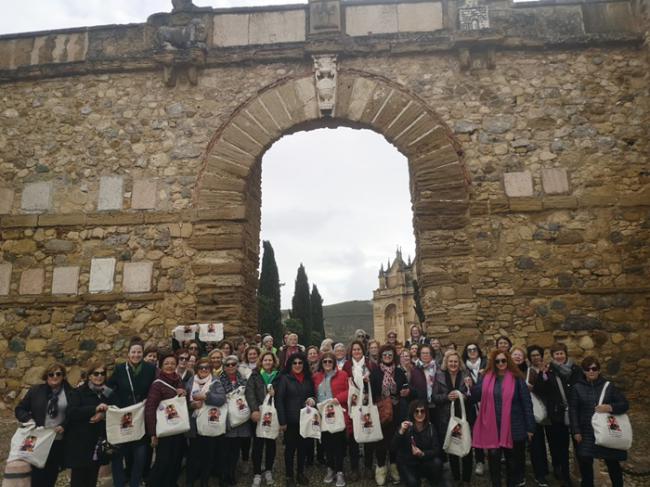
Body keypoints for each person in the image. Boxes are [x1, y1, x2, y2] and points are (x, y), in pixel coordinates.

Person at [470, 350, 535, 487]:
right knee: (494, 462)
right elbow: (475, 396)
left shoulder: (517, 378)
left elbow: (527, 404)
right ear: (493, 363)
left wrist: (530, 427)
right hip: (493, 427)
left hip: (514, 427)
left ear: (508, 361)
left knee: (513, 462)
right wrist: (472, 384)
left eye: (503, 360)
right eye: (497, 361)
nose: (501, 363)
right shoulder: (487, 377)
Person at [570, 356, 629, 487]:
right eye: (587, 369)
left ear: (599, 370)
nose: (591, 371)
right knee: (585, 465)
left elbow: (624, 404)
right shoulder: (577, 388)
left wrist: (610, 407)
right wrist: (576, 431)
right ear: (583, 371)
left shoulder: (608, 386)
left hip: (606, 431)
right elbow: (573, 411)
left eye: (594, 368)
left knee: (612, 464)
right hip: (586, 432)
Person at [107, 337, 157, 487]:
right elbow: (109, 388)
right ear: (128, 354)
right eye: (133, 352)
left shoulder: (150, 369)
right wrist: (117, 404)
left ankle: (136, 481)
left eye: (139, 352)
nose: (136, 355)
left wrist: (149, 399)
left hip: (141, 414)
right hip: (125, 414)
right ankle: (122, 481)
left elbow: (156, 387)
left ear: (142, 353)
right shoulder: (120, 369)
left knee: (141, 452)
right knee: (124, 449)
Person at [15, 362, 72, 487]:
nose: (54, 377)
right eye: (51, 374)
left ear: (63, 376)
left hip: (57, 440)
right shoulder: (35, 391)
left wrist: (64, 425)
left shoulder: (70, 393)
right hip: (36, 438)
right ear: (46, 376)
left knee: (50, 475)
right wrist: (29, 420)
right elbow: (20, 409)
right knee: (34, 475)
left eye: (58, 374)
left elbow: (73, 415)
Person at [537, 342, 582, 486]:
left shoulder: (576, 369)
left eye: (561, 353)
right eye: (556, 354)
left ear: (566, 354)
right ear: (553, 356)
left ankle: (583, 474)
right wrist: (541, 375)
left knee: (580, 445)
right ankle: (563, 473)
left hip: (575, 411)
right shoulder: (549, 371)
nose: (559, 356)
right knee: (560, 446)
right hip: (557, 413)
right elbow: (540, 390)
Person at [64, 361, 115, 487]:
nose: (99, 376)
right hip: (80, 443)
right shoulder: (79, 392)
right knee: (78, 480)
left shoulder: (108, 393)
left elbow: (115, 410)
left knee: (92, 479)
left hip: (97, 443)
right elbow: (72, 412)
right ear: (90, 376)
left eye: (102, 373)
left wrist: (103, 415)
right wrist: (94, 409)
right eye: (95, 373)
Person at [145, 350, 187, 487]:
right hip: (164, 430)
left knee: (176, 460)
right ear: (161, 365)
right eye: (166, 363)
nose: (169, 366)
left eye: (172, 363)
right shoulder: (157, 384)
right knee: (163, 462)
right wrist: (153, 433)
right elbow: (150, 409)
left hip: (178, 428)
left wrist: (183, 392)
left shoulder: (178, 379)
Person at [432, 350, 474, 486]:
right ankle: (456, 478)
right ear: (446, 362)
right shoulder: (439, 376)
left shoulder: (466, 375)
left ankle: (467, 479)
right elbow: (434, 397)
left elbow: (472, 394)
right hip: (447, 418)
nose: (453, 364)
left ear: (459, 362)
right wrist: (446, 397)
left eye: (456, 361)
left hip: (464, 416)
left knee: (466, 446)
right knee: (452, 446)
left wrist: (465, 394)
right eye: (450, 361)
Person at [275, 352, 315, 487]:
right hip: (290, 420)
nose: (297, 365)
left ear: (304, 364)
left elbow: (313, 395)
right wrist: (282, 421)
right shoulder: (285, 379)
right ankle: (289, 475)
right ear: (290, 365)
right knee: (290, 449)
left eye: (300, 363)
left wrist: (312, 399)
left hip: (305, 419)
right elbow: (279, 400)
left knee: (303, 448)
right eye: (295, 363)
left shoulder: (308, 379)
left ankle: (300, 473)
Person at [369, 344, 407, 486]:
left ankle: (394, 466)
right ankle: (380, 467)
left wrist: (405, 391)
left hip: (396, 410)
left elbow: (405, 386)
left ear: (393, 356)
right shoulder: (375, 372)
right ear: (381, 356)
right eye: (385, 355)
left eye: (390, 355)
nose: (387, 357)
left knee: (395, 440)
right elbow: (371, 392)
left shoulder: (398, 372)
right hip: (381, 411)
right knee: (381, 441)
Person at [186, 357, 226, 487]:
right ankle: (190, 480)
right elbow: (185, 401)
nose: (203, 370)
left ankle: (204, 481)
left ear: (210, 369)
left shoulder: (215, 382)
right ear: (196, 369)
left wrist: (206, 397)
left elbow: (221, 399)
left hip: (209, 424)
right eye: (201, 367)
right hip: (193, 424)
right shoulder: (191, 381)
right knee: (193, 455)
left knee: (208, 456)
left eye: (206, 368)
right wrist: (191, 404)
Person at [312, 352, 350, 487]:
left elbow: (349, 391)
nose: (327, 364)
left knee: (338, 443)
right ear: (321, 363)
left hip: (337, 413)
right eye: (325, 361)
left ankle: (339, 471)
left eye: (330, 361)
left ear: (334, 363)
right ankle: (330, 468)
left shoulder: (343, 375)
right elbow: (313, 393)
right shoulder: (316, 377)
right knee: (326, 443)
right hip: (323, 415)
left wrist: (337, 399)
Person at [246, 351, 280, 487]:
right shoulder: (255, 375)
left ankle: (269, 470)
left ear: (273, 362)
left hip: (272, 414)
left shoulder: (278, 376)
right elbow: (250, 392)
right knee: (258, 443)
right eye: (265, 360)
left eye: (270, 360)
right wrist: (254, 410)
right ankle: (257, 473)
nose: (267, 362)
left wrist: (275, 393)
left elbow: (283, 393)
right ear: (261, 361)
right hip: (259, 414)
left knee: (271, 442)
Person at [391, 400, 443, 487]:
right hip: (408, 463)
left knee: (437, 463)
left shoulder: (431, 428)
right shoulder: (405, 427)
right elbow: (393, 447)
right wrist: (401, 432)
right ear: (412, 412)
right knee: (413, 483)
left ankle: (432, 481)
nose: (419, 414)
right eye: (416, 411)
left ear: (426, 413)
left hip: (423, 461)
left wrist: (423, 454)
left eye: (422, 411)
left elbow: (436, 449)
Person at [343, 340, 374, 478]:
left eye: (359, 349)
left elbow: (377, 382)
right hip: (353, 404)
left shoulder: (370, 364)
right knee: (353, 437)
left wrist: (370, 381)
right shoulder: (347, 365)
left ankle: (368, 467)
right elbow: (343, 383)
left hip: (367, 403)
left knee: (368, 433)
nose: (356, 352)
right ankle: (354, 468)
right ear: (351, 352)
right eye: (354, 349)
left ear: (363, 351)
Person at [220, 355, 251, 485]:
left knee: (236, 449)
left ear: (237, 365)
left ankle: (231, 474)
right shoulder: (218, 380)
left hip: (242, 419)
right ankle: (224, 475)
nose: (231, 367)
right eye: (228, 365)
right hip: (227, 418)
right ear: (224, 367)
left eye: (233, 364)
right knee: (226, 450)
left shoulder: (244, 379)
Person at [527, 345, 551, 487]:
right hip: (536, 411)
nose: (536, 357)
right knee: (537, 445)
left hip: (550, 411)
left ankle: (554, 470)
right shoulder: (529, 372)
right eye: (533, 355)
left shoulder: (550, 368)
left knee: (554, 443)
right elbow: (531, 389)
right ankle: (540, 474)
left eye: (538, 355)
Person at [462, 342, 487, 476]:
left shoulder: (486, 364)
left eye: (474, 349)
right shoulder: (463, 367)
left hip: (487, 403)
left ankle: (498, 456)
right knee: (475, 432)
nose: (472, 351)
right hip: (472, 406)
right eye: (469, 349)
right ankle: (480, 461)